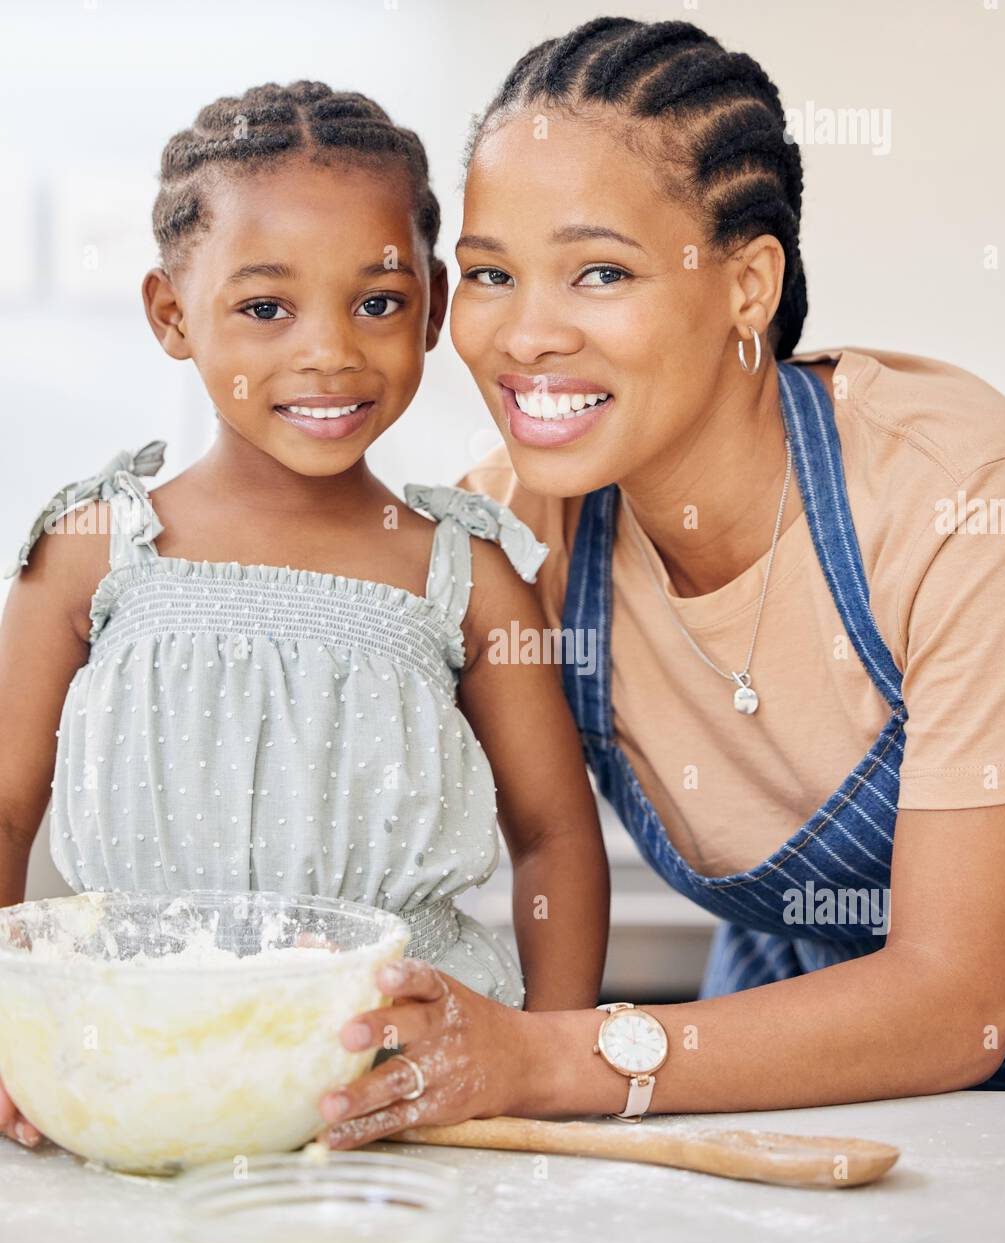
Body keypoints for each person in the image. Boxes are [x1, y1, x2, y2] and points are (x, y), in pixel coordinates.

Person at [314, 17, 1005, 1148]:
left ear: (746, 285)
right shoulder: (513, 540)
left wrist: (540, 1055)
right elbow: (327, 813)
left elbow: (955, 1003)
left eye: (599, 271)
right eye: (488, 273)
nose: (524, 334)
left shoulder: (971, 504)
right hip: (778, 1043)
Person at [0, 80, 609, 1151]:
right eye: (266, 307)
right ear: (171, 313)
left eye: (376, 302)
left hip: (398, 1088)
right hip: (143, 1073)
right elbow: (4, 810)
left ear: (428, 300)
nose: (329, 352)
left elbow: (555, 837)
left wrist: (541, 1057)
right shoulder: (93, 549)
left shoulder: (465, 572)